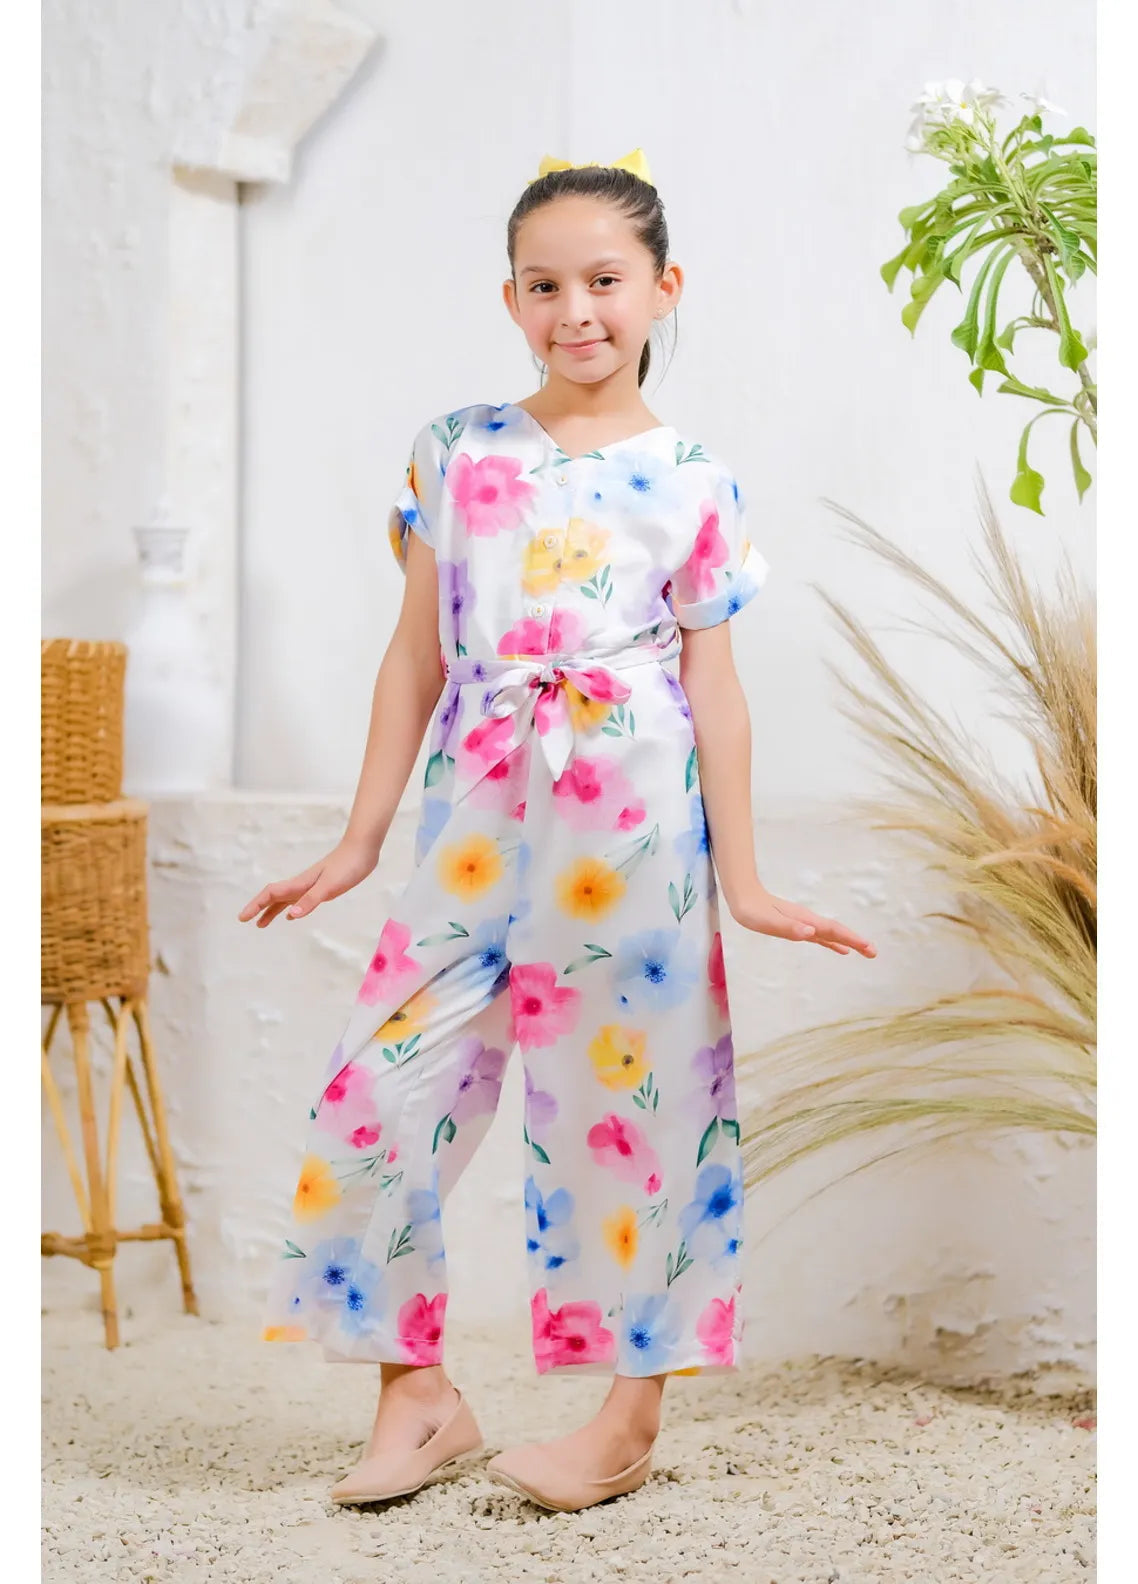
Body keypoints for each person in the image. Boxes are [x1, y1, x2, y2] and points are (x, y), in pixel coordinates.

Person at [240, 146, 876, 1514]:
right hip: (474, 812)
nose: (574, 310)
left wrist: (747, 880)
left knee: (634, 1111)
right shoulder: (456, 449)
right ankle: (419, 1398)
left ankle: (625, 1421)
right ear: (510, 298)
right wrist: (356, 844)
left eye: (603, 280)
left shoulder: (694, 479)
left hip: (631, 817)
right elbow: (413, 656)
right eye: (543, 285)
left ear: (662, 288)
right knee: (377, 1096)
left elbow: (715, 688)